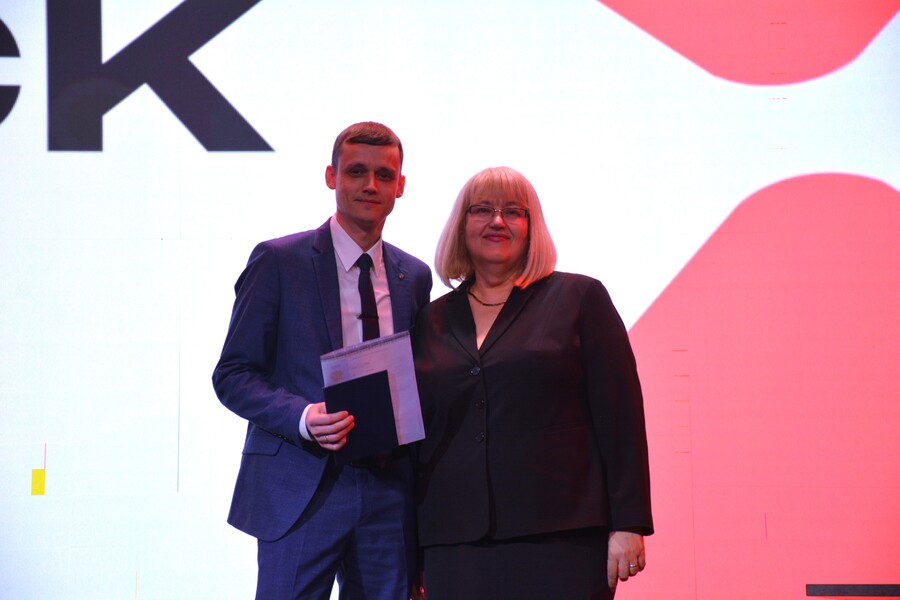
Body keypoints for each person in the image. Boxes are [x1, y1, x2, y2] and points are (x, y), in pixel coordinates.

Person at [212, 122, 432, 600]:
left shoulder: (413, 276)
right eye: (356, 172)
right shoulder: (278, 261)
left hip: (388, 491)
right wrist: (304, 417)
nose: (370, 185)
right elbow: (232, 374)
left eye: (383, 175)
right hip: (302, 483)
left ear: (400, 186)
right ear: (331, 176)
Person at [412, 166, 653, 599]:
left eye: (513, 211)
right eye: (482, 210)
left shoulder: (580, 298)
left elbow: (620, 419)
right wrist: (411, 553)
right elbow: (417, 441)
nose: (497, 221)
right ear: (462, 225)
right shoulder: (429, 319)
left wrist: (628, 523)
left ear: (531, 226)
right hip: (454, 543)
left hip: (562, 539)